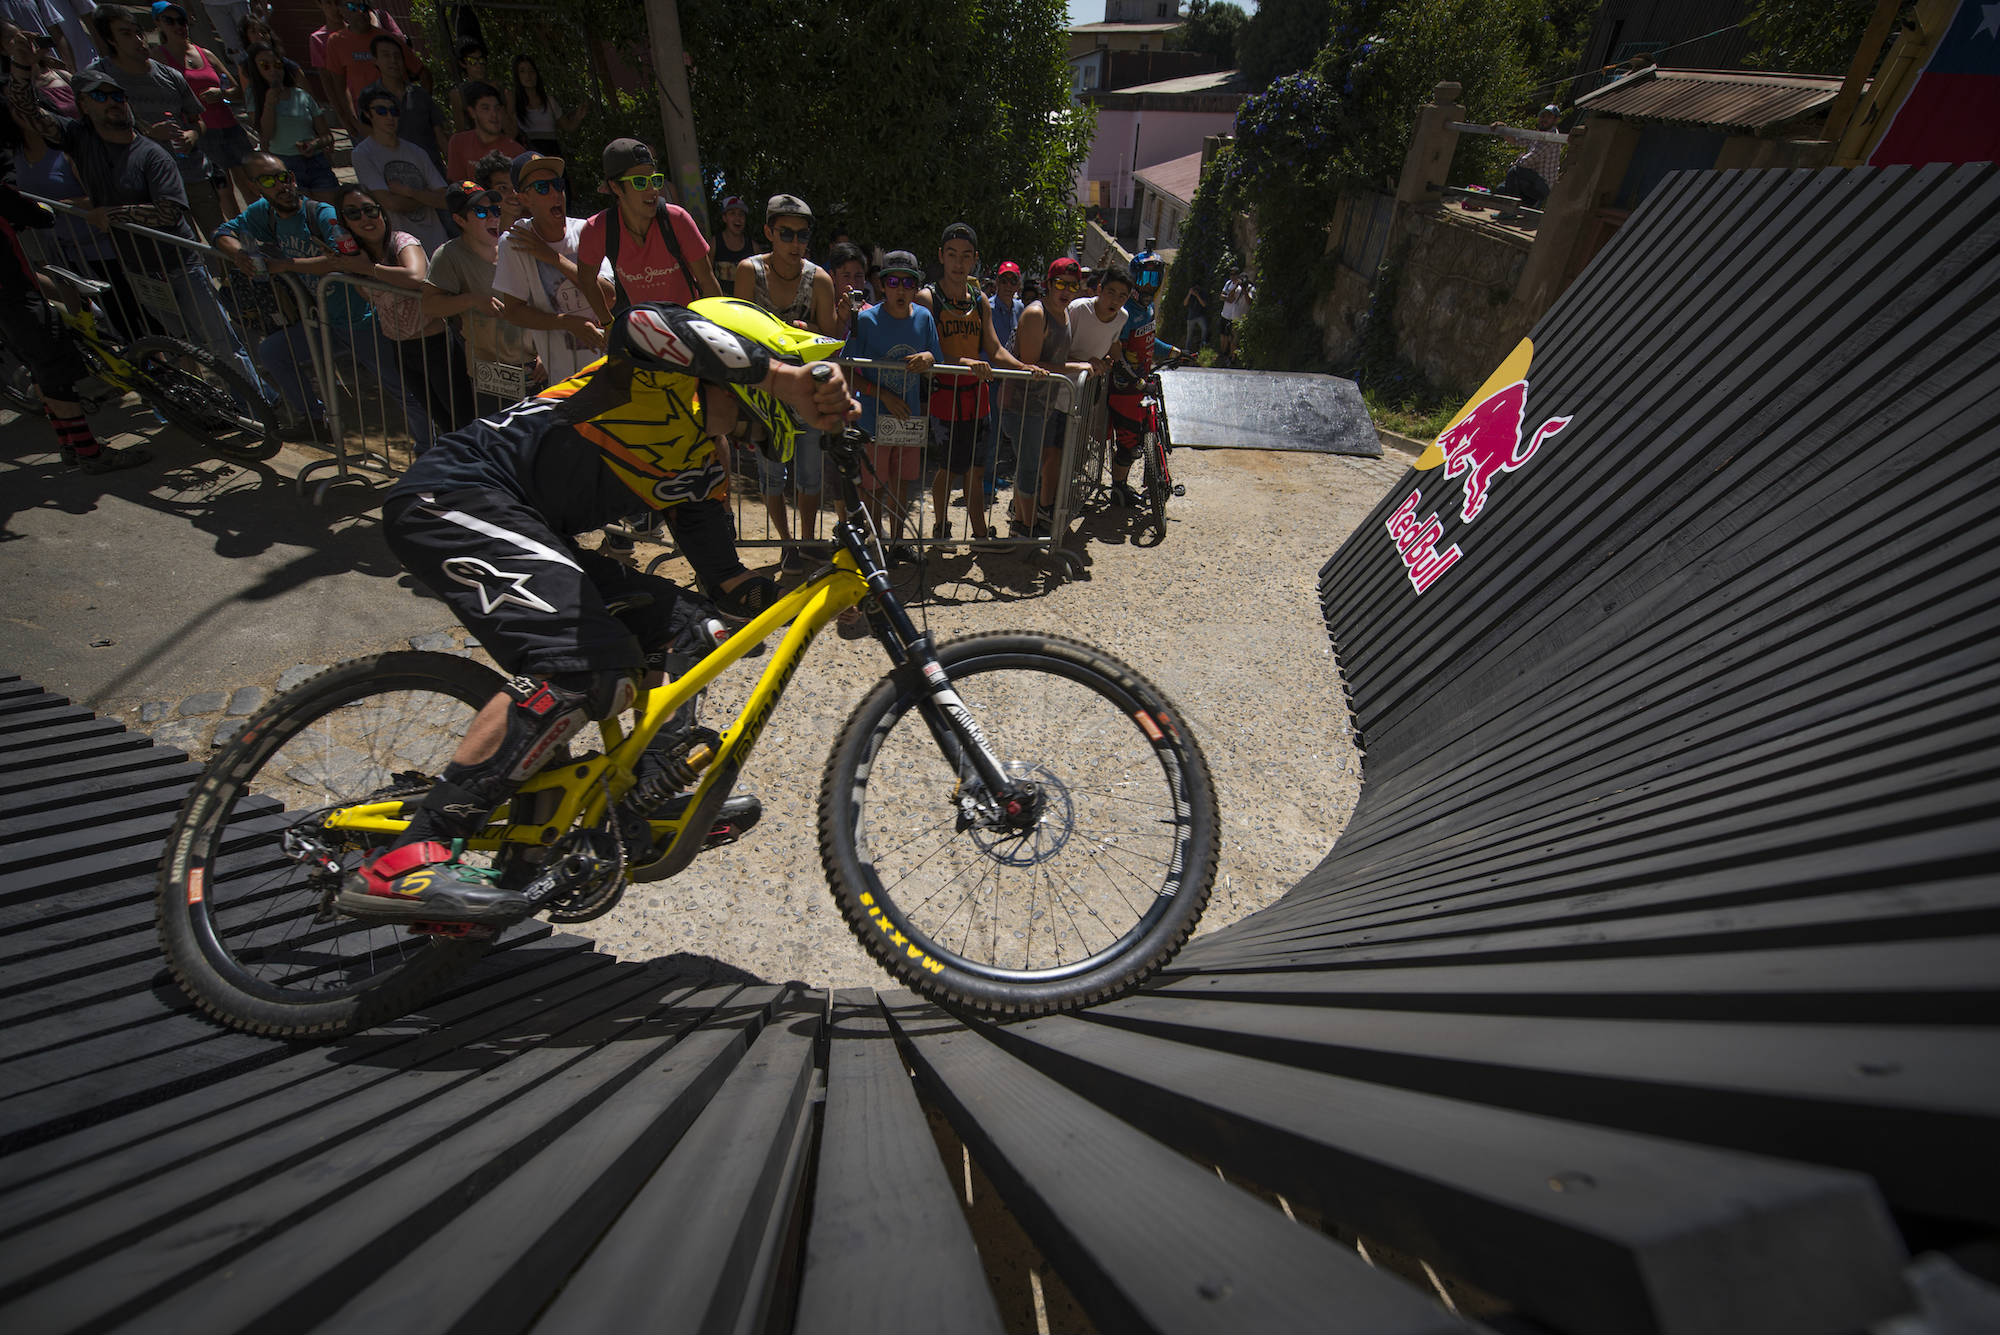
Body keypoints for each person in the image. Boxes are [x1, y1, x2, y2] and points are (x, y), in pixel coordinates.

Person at [336, 302, 853, 922]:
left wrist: (801, 599)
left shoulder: (696, 462)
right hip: (453, 494)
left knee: (695, 630)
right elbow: (643, 321)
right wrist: (783, 378)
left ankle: (628, 801)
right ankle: (411, 852)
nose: (740, 442)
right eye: (746, 425)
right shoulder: (646, 374)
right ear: (732, 373)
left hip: (529, 527)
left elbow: (726, 581)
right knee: (586, 665)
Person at [10, 67, 268, 398]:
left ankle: (258, 405)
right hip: (140, 270)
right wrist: (20, 69)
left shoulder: (151, 154)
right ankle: (213, 404)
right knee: (179, 344)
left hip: (179, 265)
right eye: (101, 96)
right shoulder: (79, 138)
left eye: (118, 95)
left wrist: (112, 214)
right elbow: (30, 114)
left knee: (220, 343)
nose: (113, 102)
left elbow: (170, 211)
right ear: (83, 105)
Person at [212, 149, 384, 425]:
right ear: (253, 186)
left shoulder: (321, 214)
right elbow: (221, 232)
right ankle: (314, 420)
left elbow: (344, 262)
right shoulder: (264, 213)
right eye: (268, 181)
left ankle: (433, 444)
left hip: (359, 319)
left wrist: (286, 265)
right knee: (272, 351)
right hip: (322, 321)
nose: (281, 185)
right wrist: (239, 254)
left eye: (283, 177)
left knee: (400, 388)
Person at [0, 159, 150, 472]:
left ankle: (69, 446)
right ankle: (89, 453)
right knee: (55, 373)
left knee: (42, 370)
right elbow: (38, 216)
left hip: (12, 302)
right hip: (15, 299)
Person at [913, 221, 1042, 549]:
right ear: (941, 256)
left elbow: (995, 349)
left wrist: (1023, 366)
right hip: (946, 396)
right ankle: (941, 526)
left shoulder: (979, 298)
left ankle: (980, 534)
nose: (958, 263)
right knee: (949, 467)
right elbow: (930, 352)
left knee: (976, 467)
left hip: (978, 395)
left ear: (975, 260)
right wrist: (967, 363)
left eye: (966, 256)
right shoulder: (928, 298)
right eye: (952, 255)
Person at [734, 192, 837, 559]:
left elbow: (830, 340)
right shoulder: (750, 271)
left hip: (808, 390)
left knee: (810, 474)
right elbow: (739, 333)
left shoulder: (819, 279)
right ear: (769, 232)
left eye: (802, 235)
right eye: (786, 234)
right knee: (771, 475)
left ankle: (807, 541)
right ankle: (786, 543)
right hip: (766, 391)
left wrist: (802, 329)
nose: (796, 243)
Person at [331, 181, 467, 448]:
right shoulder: (356, 258)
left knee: (464, 419)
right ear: (344, 222)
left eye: (370, 210)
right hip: (401, 349)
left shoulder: (401, 241)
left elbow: (416, 276)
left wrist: (368, 269)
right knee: (444, 422)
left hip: (436, 345)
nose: (365, 219)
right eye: (354, 213)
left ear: (381, 212)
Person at [86, 4, 217, 233]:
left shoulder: (170, 75)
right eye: (126, 34)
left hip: (193, 174)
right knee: (186, 251)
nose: (138, 39)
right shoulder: (100, 80)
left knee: (222, 242)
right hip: (151, 187)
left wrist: (192, 134)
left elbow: (199, 121)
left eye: (138, 32)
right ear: (110, 40)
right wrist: (147, 133)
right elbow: (95, 131)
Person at [839, 247, 937, 554]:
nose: (900, 289)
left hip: (907, 419)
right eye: (893, 282)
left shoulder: (924, 318)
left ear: (916, 288)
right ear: (882, 285)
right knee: (873, 485)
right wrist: (882, 395)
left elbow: (937, 358)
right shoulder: (866, 321)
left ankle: (897, 541)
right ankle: (874, 542)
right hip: (873, 418)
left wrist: (929, 357)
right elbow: (848, 371)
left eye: (908, 283)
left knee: (902, 482)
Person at [423, 178, 539, 415]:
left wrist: (548, 354)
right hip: (492, 373)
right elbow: (429, 305)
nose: (493, 216)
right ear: (459, 220)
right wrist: (473, 300)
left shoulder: (515, 246)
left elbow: (543, 302)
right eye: (480, 211)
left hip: (536, 366)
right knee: (499, 444)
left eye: (495, 210)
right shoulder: (448, 255)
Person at [491, 148, 605, 386]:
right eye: (543, 188)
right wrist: (565, 322)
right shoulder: (514, 242)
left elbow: (609, 297)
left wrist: (555, 259)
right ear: (523, 199)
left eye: (557, 184)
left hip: (609, 369)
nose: (555, 193)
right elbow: (513, 311)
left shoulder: (588, 231)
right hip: (564, 382)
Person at [576, 136, 716, 323]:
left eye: (655, 180)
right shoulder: (597, 230)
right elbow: (586, 279)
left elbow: (707, 281)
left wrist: (720, 329)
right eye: (640, 182)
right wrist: (607, 323)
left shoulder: (677, 220)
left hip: (690, 327)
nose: (652, 190)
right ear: (615, 187)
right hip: (645, 335)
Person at [1007, 255, 1087, 537]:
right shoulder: (1036, 314)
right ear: (1048, 284)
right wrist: (1078, 367)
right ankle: (1026, 529)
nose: (1066, 291)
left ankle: (1021, 524)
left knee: (1030, 465)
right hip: (1021, 404)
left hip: (1043, 405)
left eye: (1073, 286)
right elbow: (1031, 365)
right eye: (1060, 284)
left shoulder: (1063, 314)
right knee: (1028, 468)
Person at [149, 1, 249, 215]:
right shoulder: (158, 58)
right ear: (158, 23)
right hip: (200, 132)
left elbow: (236, 90)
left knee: (250, 182)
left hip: (229, 126)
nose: (178, 26)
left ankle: (268, 235)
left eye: (181, 20)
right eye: (170, 20)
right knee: (224, 190)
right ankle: (242, 237)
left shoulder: (205, 53)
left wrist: (221, 93)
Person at [1103, 245, 1180, 508]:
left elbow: (1148, 339)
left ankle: (1126, 483)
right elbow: (1117, 354)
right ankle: (1119, 488)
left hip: (1141, 382)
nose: (1149, 286)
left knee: (1140, 434)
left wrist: (1174, 351)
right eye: (1145, 278)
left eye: (1155, 279)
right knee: (1128, 442)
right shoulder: (1126, 314)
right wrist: (1132, 378)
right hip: (1125, 386)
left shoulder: (1147, 310)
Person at [348, 79, 446, 253]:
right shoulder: (363, 154)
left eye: (394, 111)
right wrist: (426, 197)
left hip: (437, 242)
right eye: (381, 111)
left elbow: (444, 199)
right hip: (402, 248)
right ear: (368, 115)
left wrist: (410, 192)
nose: (389, 117)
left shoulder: (417, 152)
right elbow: (390, 203)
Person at [248, 42, 334, 203]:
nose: (273, 70)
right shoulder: (257, 98)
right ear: (256, 70)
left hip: (316, 162)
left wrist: (314, 144)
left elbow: (327, 136)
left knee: (331, 214)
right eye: (265, 65)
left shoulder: (302, 95)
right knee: (305, 215)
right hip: (285, 166)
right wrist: (269, 104)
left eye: (277, 64)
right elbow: (266, 135)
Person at [319, 0, 419, 138]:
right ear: (340, 9)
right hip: (365, 121)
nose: (360, 12)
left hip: (397, 116)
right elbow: (339, 87)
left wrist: (418, 109)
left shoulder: (386, 38)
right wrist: (350, 120)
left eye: (363, 7)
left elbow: (419, 71)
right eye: (352, 7)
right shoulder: (335, 42)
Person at [369, 31, 445, 169]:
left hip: (432, 170)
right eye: (386, 55)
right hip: (397, 175)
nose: (393, 60)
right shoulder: (370, 99)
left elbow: (440, 134)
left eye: (397, 56)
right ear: (375, 60)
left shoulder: (420, 95)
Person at [508, 54, 584, 173]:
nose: (528, 75)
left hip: (552, 154)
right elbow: (510, 133)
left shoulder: (549, 101)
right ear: (517, 76)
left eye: (531, 71)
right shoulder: (514, 103)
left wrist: (579, 116)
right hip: (528, 158)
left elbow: (568, 126)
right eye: (522, 71)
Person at [1490, 104, 1563, 215]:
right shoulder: (1539, 134)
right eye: (1543, 116)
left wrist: (1518, 161)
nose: (1544, 119)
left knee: (1514, 171)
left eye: (1548, 117)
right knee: (1501, 189)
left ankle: (1510, 212)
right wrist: (1503, 129)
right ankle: (1527, 206)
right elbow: (1516, 140)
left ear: (1555, 120)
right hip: (1531, 181)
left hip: (1542, 186)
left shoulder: (1552, 137)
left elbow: (1529, 159)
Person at [445, 78, 522, 182]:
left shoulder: (517, 151)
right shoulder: (458, 142)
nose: (494, 115)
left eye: (497, 108)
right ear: (472, 112)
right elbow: (456, 187)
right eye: (486, 108)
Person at [447, 36, 507, 134]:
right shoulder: (458, 94)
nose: (478, 66)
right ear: (463, 63)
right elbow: (461, 130)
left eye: (481, 60)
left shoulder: (496, 87)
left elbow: (507, 124)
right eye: (473, 61)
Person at [708, 192, 753, 290]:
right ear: (724, 218)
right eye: (732, 213)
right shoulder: (714, 244)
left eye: (741, 214)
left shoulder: (753, 247)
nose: (738, 218)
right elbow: (707, 277)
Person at [471, 146, 520, 224]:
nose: (514, 194)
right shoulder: (478, 233)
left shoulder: (537, 228)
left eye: (517, 186)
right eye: (503, 188)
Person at [1217, 265, 1247, 364]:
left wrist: (1228, 295)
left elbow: (1231, 298)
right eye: (1231, 274)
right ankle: (1222, 353)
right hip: (1224, 313)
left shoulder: (1239, 287)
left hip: (1232, 315)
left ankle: (1229, 356)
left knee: (1230, 337)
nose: (1232, 276)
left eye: (1234, 274)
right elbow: (1222, 296)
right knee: (1222, 335)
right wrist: (1226, 297)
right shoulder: (1228, 283)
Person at [1182, 269, 1210, 352]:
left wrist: (1197, 296)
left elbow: (1204, 304)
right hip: (1191, 317)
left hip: (1200, 316)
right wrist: (1189, 294)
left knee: (1204, 329)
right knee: (1189, 335)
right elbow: (1185, 303)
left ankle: (1202, 345)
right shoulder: (1190, 294)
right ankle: (1187, 350)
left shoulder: (1202, 293)